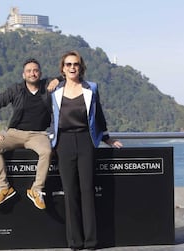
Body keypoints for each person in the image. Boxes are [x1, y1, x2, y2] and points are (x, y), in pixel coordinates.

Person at [48, 50, 122, 250]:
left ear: (81, 67)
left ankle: (91, 241)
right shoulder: (55, 90)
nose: (72, 67)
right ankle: (75, 242)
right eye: (68, 64)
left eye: (76, 64)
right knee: (70, 192)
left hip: (85, 141)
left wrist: (106, 137)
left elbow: (99, 116)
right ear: (63, 68)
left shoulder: (92, 88)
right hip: (63, 143)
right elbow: (46, 115)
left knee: (87, 190)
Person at [0, 58, 62, 210]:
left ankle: (36, 190)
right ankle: (4, 187)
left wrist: (57, 79)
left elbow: (71, 75)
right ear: (23, 74)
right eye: (29, 71)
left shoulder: (47, 86)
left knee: (47, 151)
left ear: (40, 73)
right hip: (15, 133)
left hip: (38, 134)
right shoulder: (16, 89)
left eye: (35, 70)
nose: (32, 73)